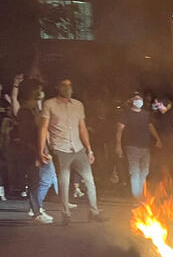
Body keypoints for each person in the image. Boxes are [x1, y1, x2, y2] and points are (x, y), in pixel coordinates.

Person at [38, 79, 104, 224]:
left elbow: (82, 128)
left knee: (89, 181)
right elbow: (44, 128)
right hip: (61, 149)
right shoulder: (49, 104)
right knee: (64, 182)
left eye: (69, 86)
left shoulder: (78, 105)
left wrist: (89, 150)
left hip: (78, 148)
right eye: (64, 85)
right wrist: (41, 150)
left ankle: (94, 212)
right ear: (58, 87)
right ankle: (65, 215)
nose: (67, 88)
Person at [11, 79, 57, 223]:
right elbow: (27, 136)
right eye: (37, 89)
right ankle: (37, 212)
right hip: (31, 151)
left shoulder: (34, 109)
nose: (40, 92)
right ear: (31, 92)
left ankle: (38, 209)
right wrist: (37, 154)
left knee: (40, 179)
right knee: (34, 182)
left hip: (38, 150)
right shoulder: (25, 111)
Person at [116, 92, 161, 201]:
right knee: (135, 172)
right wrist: (118, 145)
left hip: (145, 147)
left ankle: (140, 194)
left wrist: (158, 139)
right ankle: (137, 197)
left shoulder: (146, 114)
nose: (138, 100)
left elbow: (150, 127)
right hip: (132, 147)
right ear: (132, 101)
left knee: (144, 171)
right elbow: (119, 130)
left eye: (139, 98)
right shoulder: (126, 114)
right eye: (136, 99)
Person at [151, 96, 173, 185]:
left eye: (159, 104)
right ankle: (166, 188)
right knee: (163, 166)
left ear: (163, 104)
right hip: (162, 146)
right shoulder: (158, 116)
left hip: (172, 146)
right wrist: (158, 140)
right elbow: (151, 126)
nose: (157, 106)